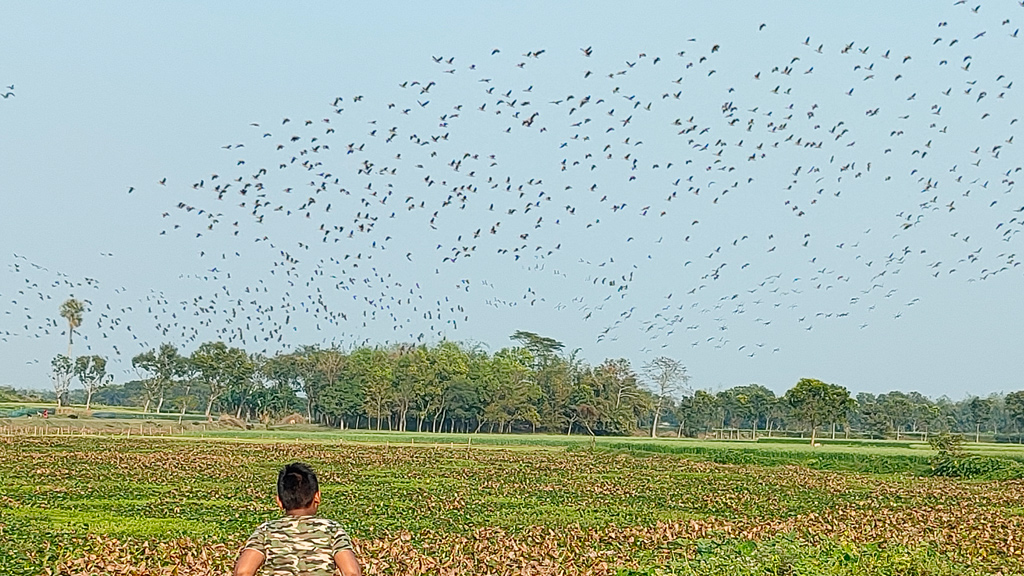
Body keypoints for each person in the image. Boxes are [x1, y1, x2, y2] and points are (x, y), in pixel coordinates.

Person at [234, 462, 362, 576]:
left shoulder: (266, 531)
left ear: (279, 501)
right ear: (317, 496)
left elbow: (243, 571)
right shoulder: (331, 530)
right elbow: (351, 572)